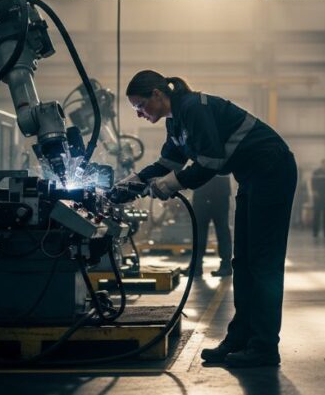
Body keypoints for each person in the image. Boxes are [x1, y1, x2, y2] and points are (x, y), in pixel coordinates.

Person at [110, 70, 296, 368]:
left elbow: (210, 162)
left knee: (263, 263)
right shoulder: (176, 121)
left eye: (140, 107)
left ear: (157, 95)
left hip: (272, 170)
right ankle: (240, 339)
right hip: (252, 176)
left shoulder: (194, 108)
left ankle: (263, 348)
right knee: (243, 261)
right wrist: (130, 184)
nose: (141, 114)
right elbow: (168, 162)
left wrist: (172, 183)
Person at [192, 174, 233, 277]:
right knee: (219, 229)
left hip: (205, 185)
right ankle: (225, 265)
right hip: (217, 188)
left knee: (208, 229)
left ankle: (197, 266)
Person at [310, 159, 325, 237]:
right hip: (318, 196)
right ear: (322, 164)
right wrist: (314, 191)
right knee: (317, 214)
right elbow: (312, 182)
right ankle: (315, 232)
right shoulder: (316, 172)